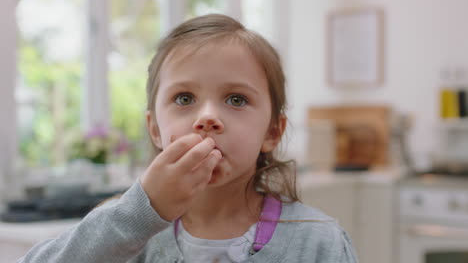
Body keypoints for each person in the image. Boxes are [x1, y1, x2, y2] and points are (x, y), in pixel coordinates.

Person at [18, 14, 358, 263]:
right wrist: (141, 214)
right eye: (184, 99)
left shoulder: (319, 241)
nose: (207, 117)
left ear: (272, 131)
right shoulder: (124, 234)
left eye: (236, 99)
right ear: (155, 130)